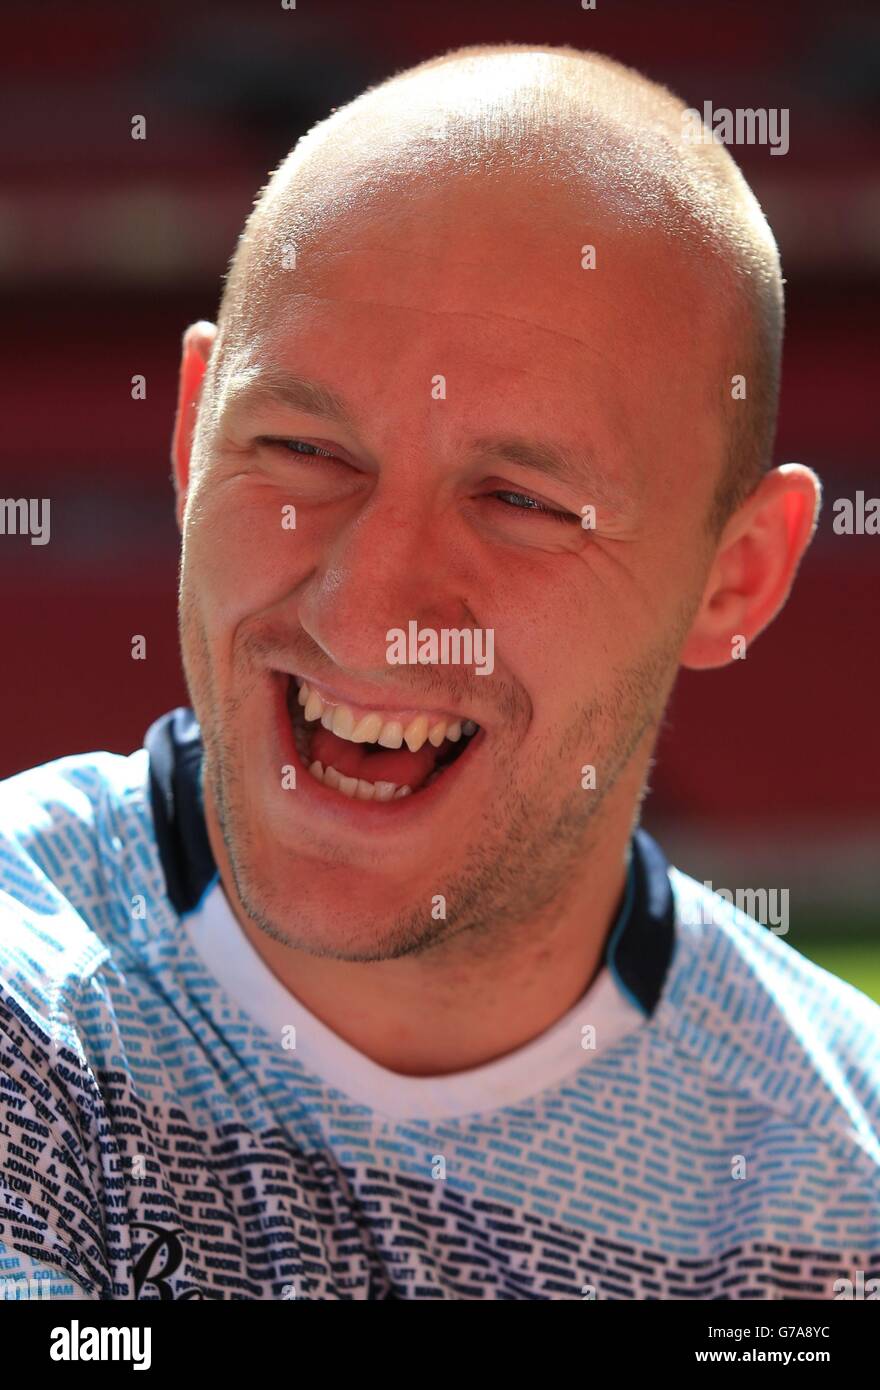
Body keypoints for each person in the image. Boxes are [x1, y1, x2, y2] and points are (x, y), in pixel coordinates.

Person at [1, 43, 877, 1302]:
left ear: (735, 576)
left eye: (521, 500)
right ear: (194, 435)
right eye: (301, 447)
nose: (370, 603)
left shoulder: (846, 1195)